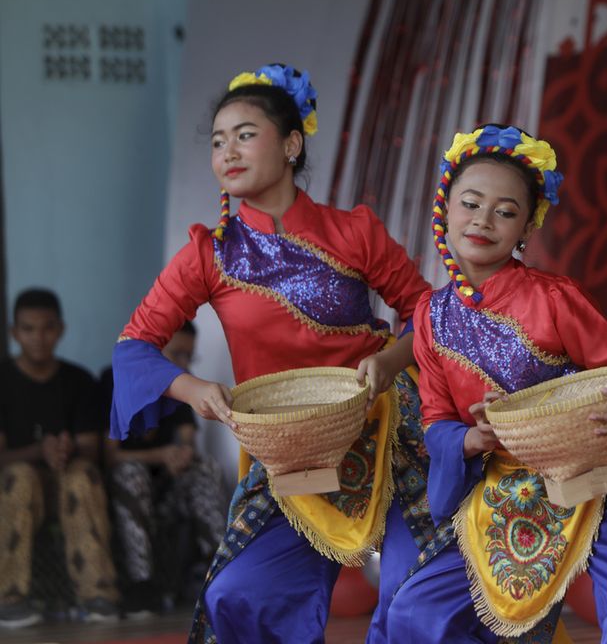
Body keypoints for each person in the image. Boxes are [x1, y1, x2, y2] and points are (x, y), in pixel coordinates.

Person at [108, 64, 434, 643]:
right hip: (289, 450)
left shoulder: (352, 231)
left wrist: (389, 362)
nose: (226, 151)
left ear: (291, 144)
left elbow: (429, 315)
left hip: (387, 432)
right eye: (216, 141)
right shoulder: (209, 255)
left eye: (244, 134)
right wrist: (197, 389)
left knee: (418, 596)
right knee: (236, 594)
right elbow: (135, 345)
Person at [387, 124, 607, 643]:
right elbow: (436, 419)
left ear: (525, 230)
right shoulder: (429, 315)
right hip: (498, 494)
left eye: (506, 211)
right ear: (444, 208)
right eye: (470, 203)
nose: (483, 221)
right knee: (413, 611)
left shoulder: (555, 298)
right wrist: (473, 438)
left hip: (586, 485)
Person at [0, 288, 119, 627]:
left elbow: (92, 450)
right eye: (28, 328)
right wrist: (40, 451)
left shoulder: (78, 381)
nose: (38, 337)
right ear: (14, 332)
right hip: (18, 492)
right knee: (19, 476)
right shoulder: (4, 381)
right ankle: (9, 597)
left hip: (67, 488)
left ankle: (98, 593)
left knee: (83, 473)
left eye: (47, 327)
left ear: (61, 329)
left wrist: (65, 450)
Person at [101, 320, 227, 617]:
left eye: (188, 357)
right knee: (131, 473)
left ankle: (220, 569)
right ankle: (140, 583)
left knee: (205, 467)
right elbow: (110, 457)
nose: (183, 364)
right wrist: (161, 455)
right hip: (124, 494)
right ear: (155, 350)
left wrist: (180, 457)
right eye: (177, 355)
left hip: (167, 492)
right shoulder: (115, 380)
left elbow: (188, 443)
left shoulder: (183, 385)